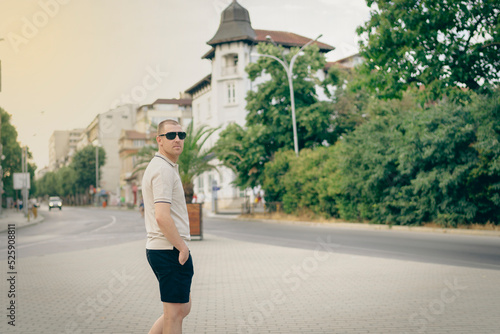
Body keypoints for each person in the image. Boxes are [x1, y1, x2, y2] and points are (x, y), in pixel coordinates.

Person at [142, 119, 193, 334]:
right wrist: (182, 247)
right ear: (159, 140)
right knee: (174, 315)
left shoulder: (166, 167)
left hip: (164, 249)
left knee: (181, 309)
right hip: (168, 250)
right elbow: (162, 217)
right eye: (171, 135)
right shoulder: (163, 170)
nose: (177, 139)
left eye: (181, 135)